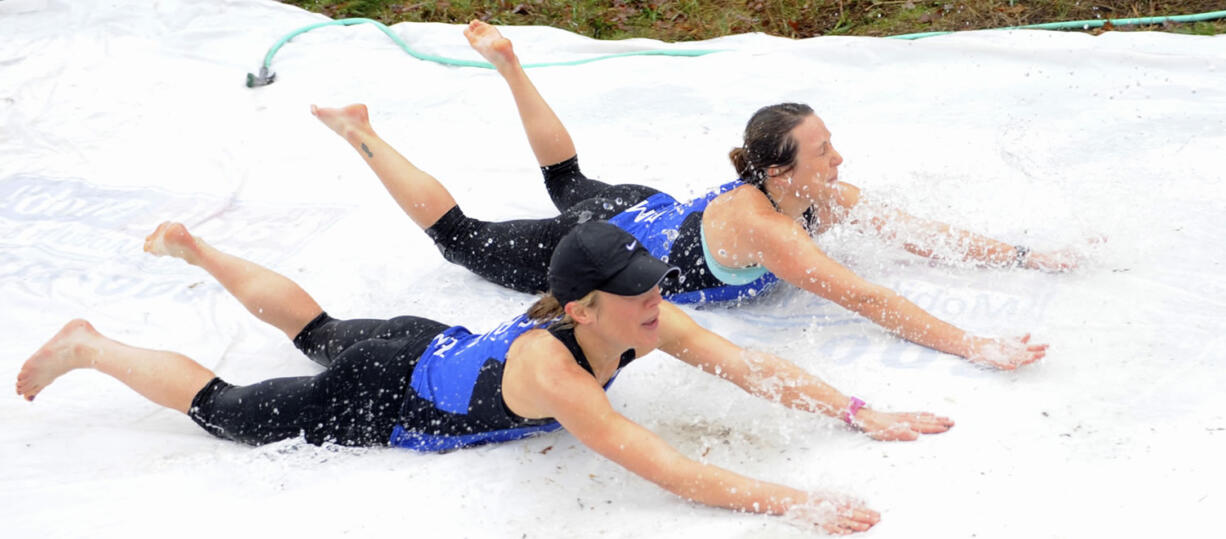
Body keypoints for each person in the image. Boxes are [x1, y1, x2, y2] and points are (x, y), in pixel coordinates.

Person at [16, 220, 953, 534]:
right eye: (636, 296)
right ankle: (91, 343)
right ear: (583, 306)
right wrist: (798, 502)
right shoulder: (558, 372)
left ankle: (196, 245)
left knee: (320, 326)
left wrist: (863, 409)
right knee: (223, 408)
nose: (658, 306)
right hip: (380, 395)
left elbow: (754, 363)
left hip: (432, 344)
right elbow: (664, 466)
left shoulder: (640, 318)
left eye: (656, 286)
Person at [312, 20, 1071, 371]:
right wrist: (972, 342)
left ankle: (509, 65)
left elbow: (914, 232)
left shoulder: (810, 191)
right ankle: (360, 133)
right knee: (464, 239)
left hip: (653, 211)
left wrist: (1024, 256)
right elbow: (866, 297)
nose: (839, 160)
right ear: (780, 172)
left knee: (570, 181)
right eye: (823, 151)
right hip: (612, 241)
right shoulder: (775, 229)